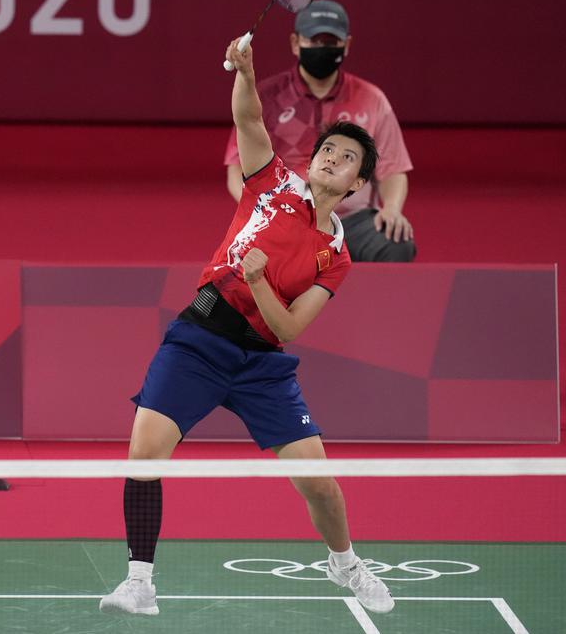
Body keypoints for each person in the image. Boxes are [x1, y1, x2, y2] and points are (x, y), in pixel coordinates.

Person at [99, 37, 395, 618]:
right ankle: (139, 582)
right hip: (200, 340)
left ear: (358, 184)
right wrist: (247, 69)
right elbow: (248, 117)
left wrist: (259, 281)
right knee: (143, 456)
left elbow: (290, 325)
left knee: (321, 486)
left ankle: (346, 563)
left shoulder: (336, 253)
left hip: (262, 365)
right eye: (327, 150)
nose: (332, 159)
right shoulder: (273, 182)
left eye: (346, 158)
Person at [224, 0, 415, 262]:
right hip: (287, 217)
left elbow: (392, 169)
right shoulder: (267, 97)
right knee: (253, 255)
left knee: (395, 244)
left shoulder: (371, 98)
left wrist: (392, 209)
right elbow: (237, 169)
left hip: (353, 222)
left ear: (346, 45)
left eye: (330, 41)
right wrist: (266, 209)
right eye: (314, 40)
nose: (322, 48)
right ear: (295, 43)